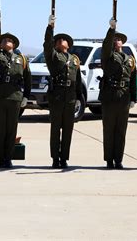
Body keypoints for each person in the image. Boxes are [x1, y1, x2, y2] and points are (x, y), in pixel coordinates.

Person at [0, 9, 31, 168]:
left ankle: (8, 157)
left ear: (14, 44)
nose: (6, 41)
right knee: (0, 129)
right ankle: (0, 158)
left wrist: (26, 96)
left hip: (15, 98)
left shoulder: (22, 59)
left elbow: (28, 79)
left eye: (9, 40)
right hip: (0, 97)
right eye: (3, 40)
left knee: (12, 129)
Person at [43, 15, 82, 168]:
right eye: (57, 40)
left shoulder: (74, 59)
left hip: (71, 97)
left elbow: (77, 79)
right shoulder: (53, 56)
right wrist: (50, 28)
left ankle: (64, 157)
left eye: (63, 40)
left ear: (68, 45)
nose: (60, 41)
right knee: (55, 128)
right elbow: (47, 44)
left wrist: (79, 98)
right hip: (57, 96)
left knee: (68, 129)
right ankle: (55, 158)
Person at [99, 18, 137, 169]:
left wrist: (133, 98)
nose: (117, 41)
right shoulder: (108, 56)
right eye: (115, 39)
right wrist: (111, 30)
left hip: (124, 97)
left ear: (123, 43)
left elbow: (133, 80)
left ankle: (119, 159)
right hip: (109, 96)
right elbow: (106, 46)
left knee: (121, 130)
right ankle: (109, 159)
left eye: (119, 39)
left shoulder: (130, 60)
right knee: (109, 129)